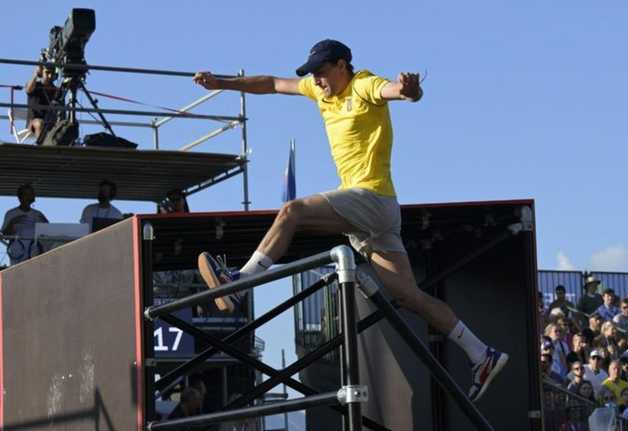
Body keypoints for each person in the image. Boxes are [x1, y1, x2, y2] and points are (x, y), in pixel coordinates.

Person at [192, 39, 506, 402]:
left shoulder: (364, 85)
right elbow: (273, 84)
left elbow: (395, 91)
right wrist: (224, 84)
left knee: (292, 211)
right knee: (408, 296)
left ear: (343, 65)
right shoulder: (320, 91)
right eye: (314, 75)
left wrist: (409, 90)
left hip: (370, 198)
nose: (318, 80)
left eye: (323, 72)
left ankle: (240, 281)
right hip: (375, 213)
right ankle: (481, 354)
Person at [1, 184, 48, 265]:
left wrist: (44, 222)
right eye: (26, 194)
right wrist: (12, 222)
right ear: (20, 197)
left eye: (31, 194)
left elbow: (48, 232)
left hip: (35, 250)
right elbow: (5, 235)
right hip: (17, 250)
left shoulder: (38, 214)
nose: (29, 197)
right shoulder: (11, 213)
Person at [24, 63, 59, 139]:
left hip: (51, 122)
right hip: (34, 123)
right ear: (41, 73)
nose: (50, 76)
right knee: (40, 123)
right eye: (47, 72)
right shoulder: (35, 85)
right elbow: (28, 89)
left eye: (52, 73)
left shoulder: (56, 90)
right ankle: (41, 148)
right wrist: (36, 75)